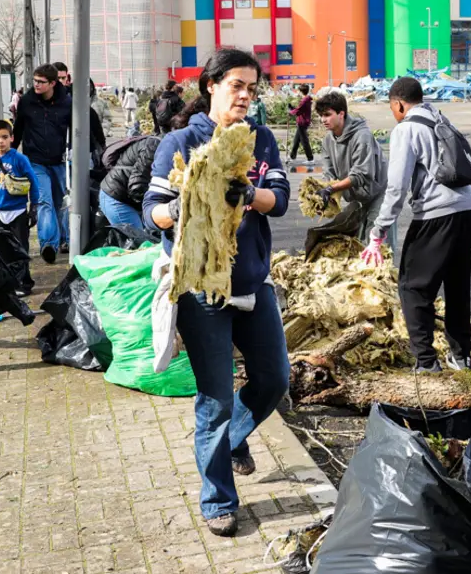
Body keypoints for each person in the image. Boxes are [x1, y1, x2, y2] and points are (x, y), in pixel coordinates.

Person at [143, 49, 291, 537]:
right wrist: (190, 197)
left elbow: (281, 200)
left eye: (253, 87)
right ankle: (218, 499)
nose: (246, 96)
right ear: (210, 86)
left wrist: (249, 194)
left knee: (274, 378)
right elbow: (152, 214)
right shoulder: (180, 143)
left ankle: (231, 441)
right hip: (202, 290)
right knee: (215, 400)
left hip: (251, 282)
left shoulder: (262, 140)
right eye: (237, 86)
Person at [361, 77, 471, 372]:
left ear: (399, 103)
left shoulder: (407, 129)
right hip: (467, 213)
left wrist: (378, 231)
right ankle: (461, 357)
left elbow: (397, 186)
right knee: (457, 288)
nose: (393, 112)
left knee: (413, 287)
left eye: (392, 107)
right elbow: (469, 174)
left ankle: (426, 362)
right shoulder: (444, 122)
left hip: (435, 215)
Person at [13, 63, 72, 264]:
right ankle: (48, 244)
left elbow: (77, 128)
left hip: (59, 161)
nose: (36, 85)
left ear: (53, 83)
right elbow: (18, 128)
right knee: (44, 201)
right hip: (35, 161)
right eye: (35, 81)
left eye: (41, 82)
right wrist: (12, 153)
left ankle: (65, 239)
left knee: (60, 203)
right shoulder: (27, 102)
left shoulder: (67, 102)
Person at [314, 91, 389, 244]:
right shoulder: (328, 140)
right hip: (356, 197)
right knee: (359, 244)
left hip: (378, 193)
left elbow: (362, 174)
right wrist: (325, 195)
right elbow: (329, 175)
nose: (323, 120)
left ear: (341, 113)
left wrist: (331, 189)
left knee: (377, 244)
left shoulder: (362, 136)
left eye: (327, 114)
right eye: (321, 115)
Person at [0, 119, 41, 296]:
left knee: (20, 249)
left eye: (4, 137)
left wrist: (34, 206)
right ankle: (5, 282)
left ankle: (23, 282)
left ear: (12, 138)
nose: (1, 141)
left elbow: (33, 183)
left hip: (18, 212)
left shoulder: (20, 159)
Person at [100, 135, 160, 229]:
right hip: (117, 200)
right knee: (140, 242)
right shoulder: (153, 148)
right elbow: (137, 186)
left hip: (122, 196)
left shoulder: (158, 145)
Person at [288, 84, 314, 162]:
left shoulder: (304, 100)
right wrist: (292, 108)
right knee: (296, 140)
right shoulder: (306, 99)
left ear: (301, 91)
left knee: (304, 141)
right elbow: (300, 110)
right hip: (302, 121)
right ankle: (292, 157)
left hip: (302, 122)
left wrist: (290, 112)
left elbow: (298, 111)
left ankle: (310, 159)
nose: (297, 92)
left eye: (298, 91)